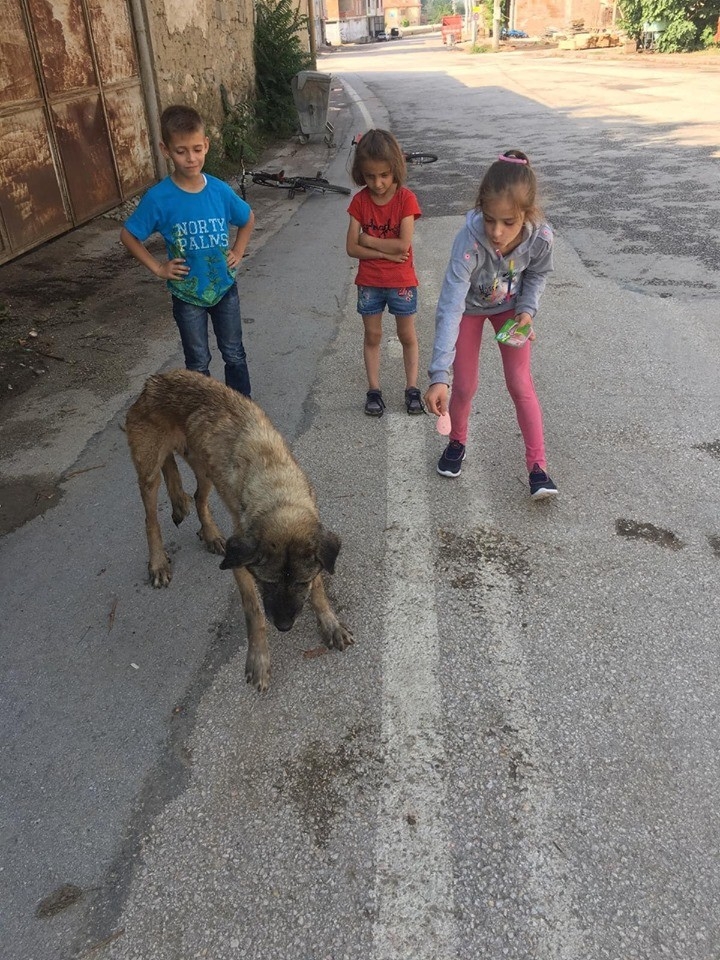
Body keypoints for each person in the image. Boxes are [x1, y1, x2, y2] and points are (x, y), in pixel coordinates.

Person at [424, 149, 558, 499]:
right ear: (480, 209)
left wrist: (527, 311)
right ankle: (457, 442)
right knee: (464, 385)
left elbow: (538, 274)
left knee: (520, 384)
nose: (497, 232)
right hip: (469, 309)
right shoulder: (468, 241)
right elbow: (450, 306)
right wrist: (439, 375)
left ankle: (538, 468)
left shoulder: (541, 237)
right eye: (489, 219)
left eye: (509, 222)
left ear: (527, 214)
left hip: (509, 309)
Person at [120, 104, 254, 396]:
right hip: (187, 295)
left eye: (196, 149)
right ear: (165, 150)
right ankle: (201, 415)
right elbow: (129, 235)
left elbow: (247, 218)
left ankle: (242, 411)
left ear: (206, 145)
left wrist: (238, 250)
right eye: (181, 151)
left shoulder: (219, 190)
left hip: (224, 287)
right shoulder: (159, 198)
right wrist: (158, 268)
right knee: (197, 362)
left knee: (234, 353)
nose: (191, 158)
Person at [346, 129, 424, 417]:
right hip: (370, 282)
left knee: (407, 335)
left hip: (401, 281)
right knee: (373, 335)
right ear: (361, 173)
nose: (377, 183)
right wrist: (383, 253)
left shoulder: (406, 199)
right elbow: (351, 247)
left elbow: (403, 244)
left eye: (384, 175)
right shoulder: (359, 202)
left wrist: (368, 239)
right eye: (370, 176)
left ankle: (412, 387)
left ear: (395, 170)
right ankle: (374, 389)